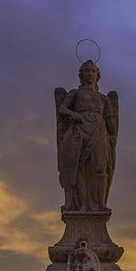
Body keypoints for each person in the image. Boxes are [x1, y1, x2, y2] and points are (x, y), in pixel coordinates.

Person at [55, 60, 117, 211]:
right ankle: (82, 204)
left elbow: (110, 121)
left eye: (92, 71)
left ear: (97, 75)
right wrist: (74, 114)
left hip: (99, 132)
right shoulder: (75, 94)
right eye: (87, 71)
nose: (90, 74)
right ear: (81, 74)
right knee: (79, 168)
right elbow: (62, 109)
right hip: (79, 131)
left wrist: (113, 135)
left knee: (100, 168)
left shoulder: (103, 99)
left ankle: (100, 203)